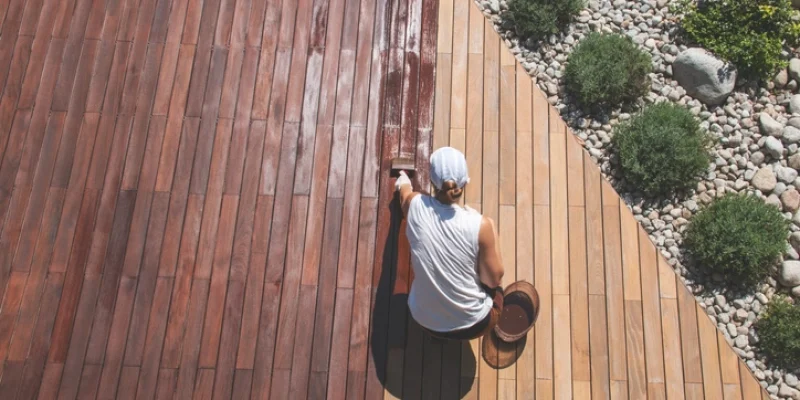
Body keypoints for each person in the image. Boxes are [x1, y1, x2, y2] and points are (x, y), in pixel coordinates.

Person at [395, 147, 505, 340]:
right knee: (497, 285)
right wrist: (491, 229)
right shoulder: (481, 225)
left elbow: (404, 194)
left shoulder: (415, 206)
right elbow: (493, 280)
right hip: (475, 325)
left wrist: (403, 180)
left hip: (424, 320)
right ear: (464, 183)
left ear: (432, 182)